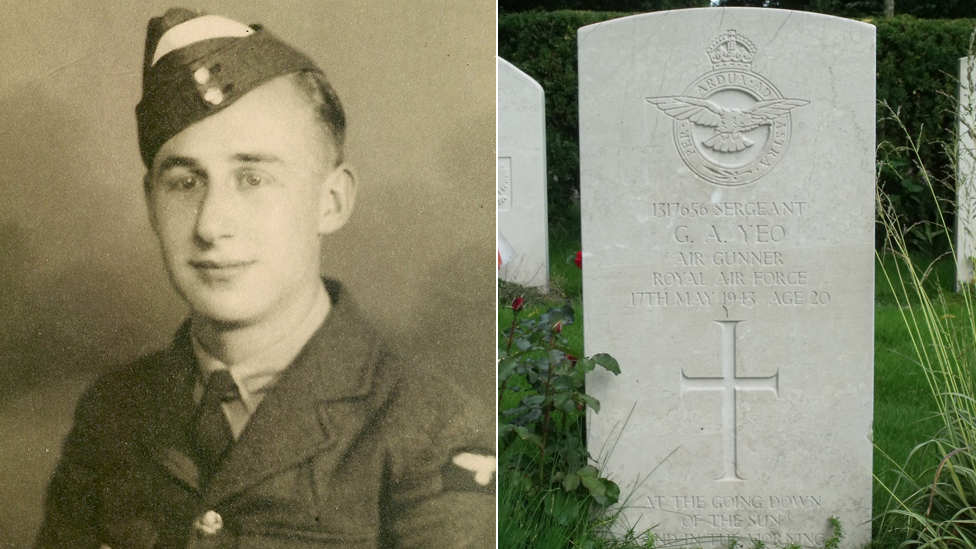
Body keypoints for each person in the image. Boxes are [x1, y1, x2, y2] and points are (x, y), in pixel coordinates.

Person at [35, 8, 494, 548]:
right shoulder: (114, 411)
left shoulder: (430, 428)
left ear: (331, 201)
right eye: (184, 182)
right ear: (150, 203)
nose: (210, 225)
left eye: (252, 177)